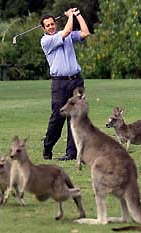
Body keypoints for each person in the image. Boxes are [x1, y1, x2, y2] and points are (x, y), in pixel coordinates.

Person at [40, 8, 90, 161]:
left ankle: (71, 153)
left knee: (75, 117)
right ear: (43, 29)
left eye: (52, 24)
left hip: (76, 81)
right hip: (59, 84)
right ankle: (48, 148)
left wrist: (78, 15)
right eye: (47, 25)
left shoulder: (65, 34)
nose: (51, 27)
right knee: (58, 117)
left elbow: (85, 33)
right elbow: (67, 30)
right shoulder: (46, 41)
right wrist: (70, 16)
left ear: (55, 23)